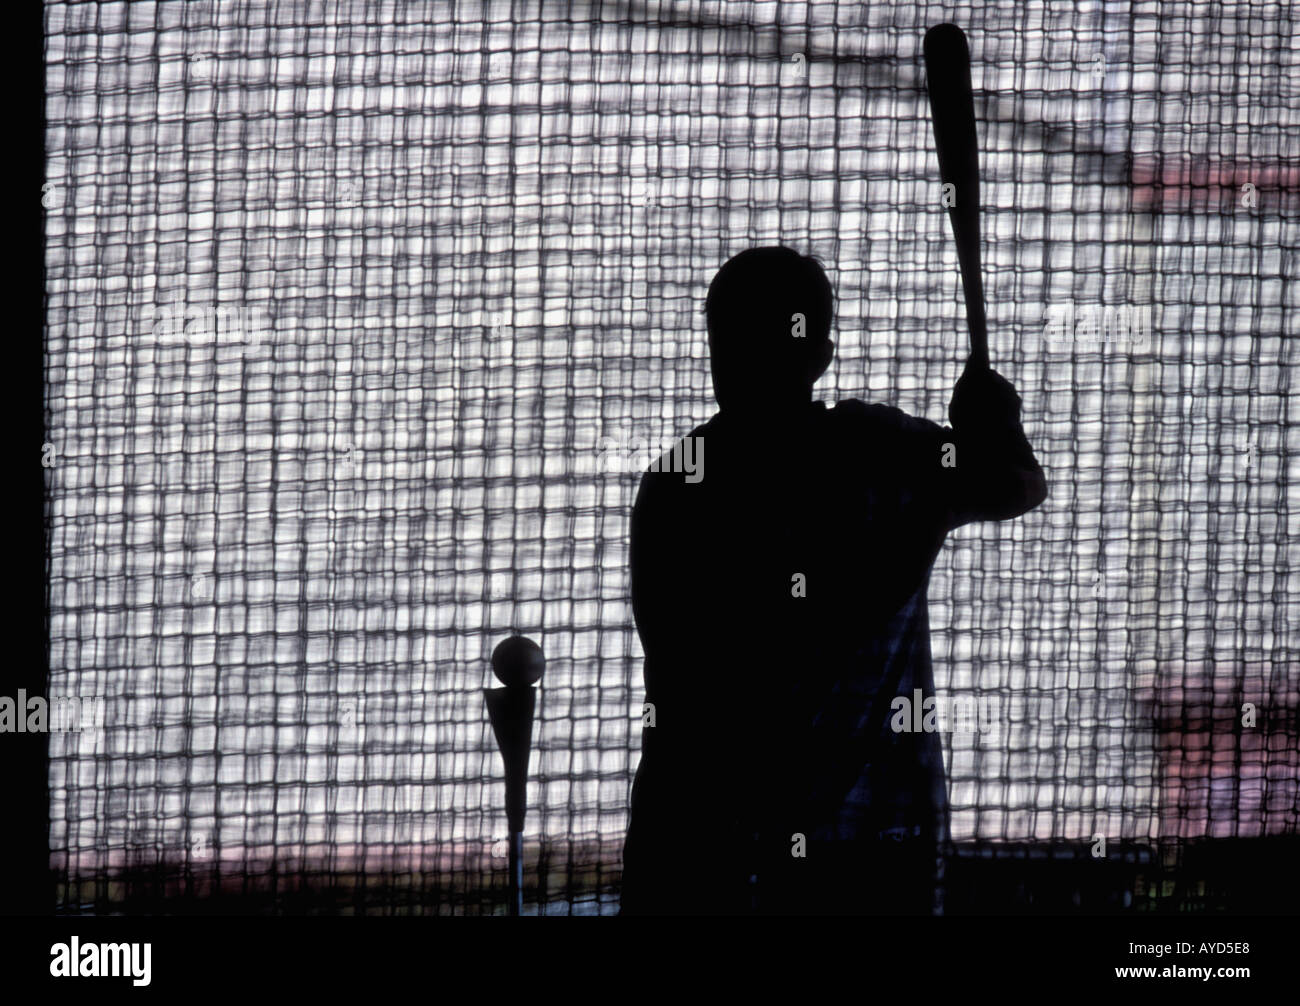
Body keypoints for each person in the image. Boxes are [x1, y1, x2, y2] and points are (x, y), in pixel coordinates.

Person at [619, 246, 1047, 915]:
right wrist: (994, 425)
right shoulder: (877, 453)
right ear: (819, 353)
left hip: (708, 854)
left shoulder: (680, 483)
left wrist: (990, 428)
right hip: (854, 858)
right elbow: (1018, 481)